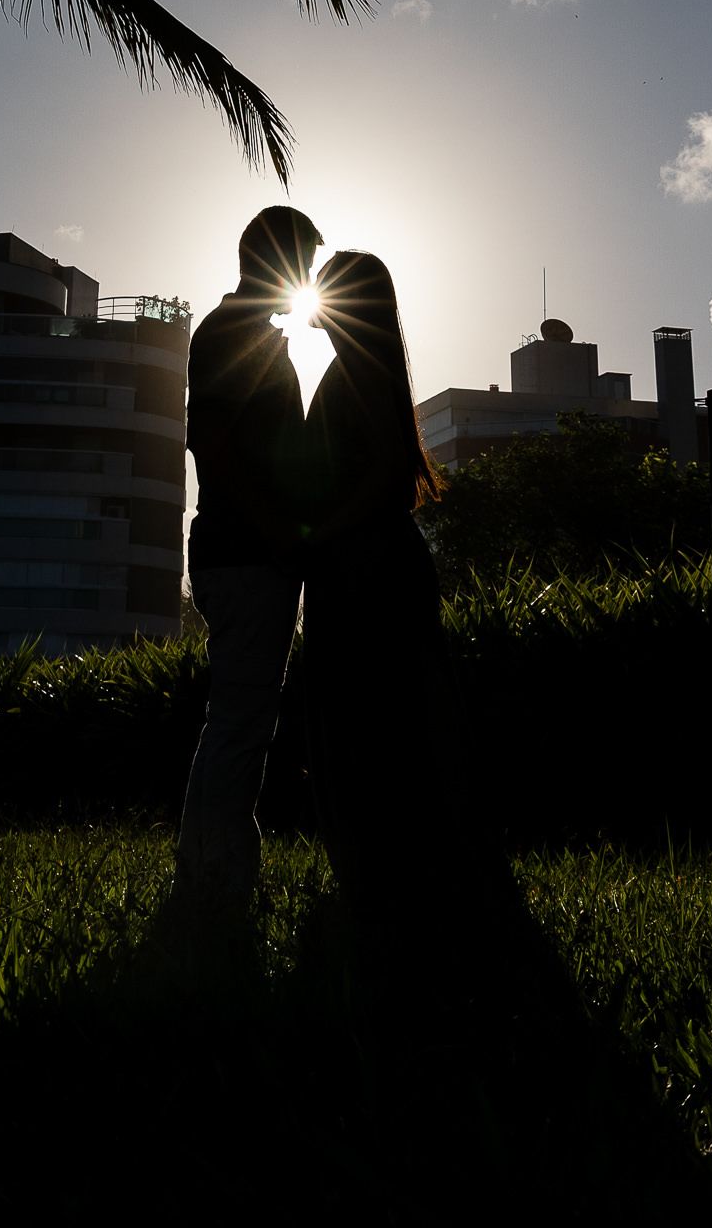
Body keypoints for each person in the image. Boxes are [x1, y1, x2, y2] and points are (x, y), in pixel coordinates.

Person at [300, 248, 459, 916]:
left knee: (369, 726)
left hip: (365, 570)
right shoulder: (369, 370)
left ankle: (382, 879)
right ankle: (391, 875)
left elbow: (384, 475)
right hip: (374, 565)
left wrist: (319, 533)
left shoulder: (357, 373)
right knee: (385, 725)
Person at [175, 203, 322, 911]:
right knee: (241, 724)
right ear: (276, 261)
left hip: (237, 549)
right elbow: (215, 442)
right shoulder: (235, 334)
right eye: (304, 263)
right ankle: (219, 877)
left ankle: (210, 868)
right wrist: (279, 536)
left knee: (235, 720)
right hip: (245, 553)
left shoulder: (242, 333)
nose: (309, 278)